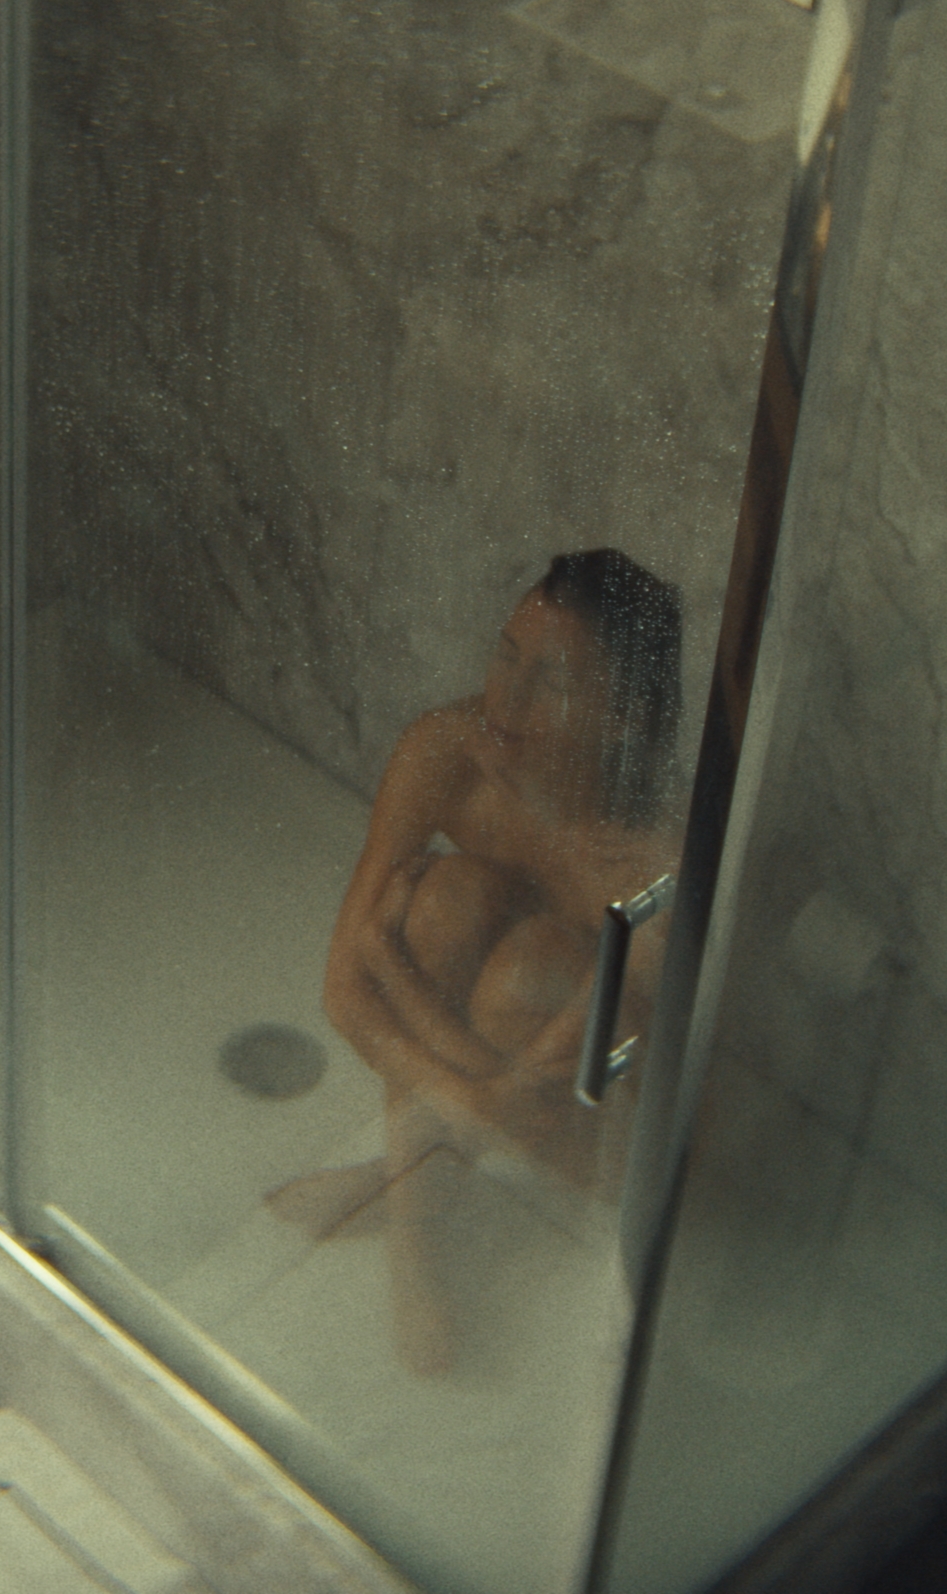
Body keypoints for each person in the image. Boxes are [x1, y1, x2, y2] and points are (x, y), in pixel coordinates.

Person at [272, 549, 683, 1376]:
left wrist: (395, 970)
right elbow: (344, 991)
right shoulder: (447, 752)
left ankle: (411, 1179)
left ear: (623, 722)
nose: (505, 699)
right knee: (447, 902)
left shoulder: (653, 864)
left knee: (525, 969)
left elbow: (540, 1103)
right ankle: (416, 1237)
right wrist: (474, 1098)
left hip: (631, 1142)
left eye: (552, 680)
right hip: (516, 1089)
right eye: (506, 655)